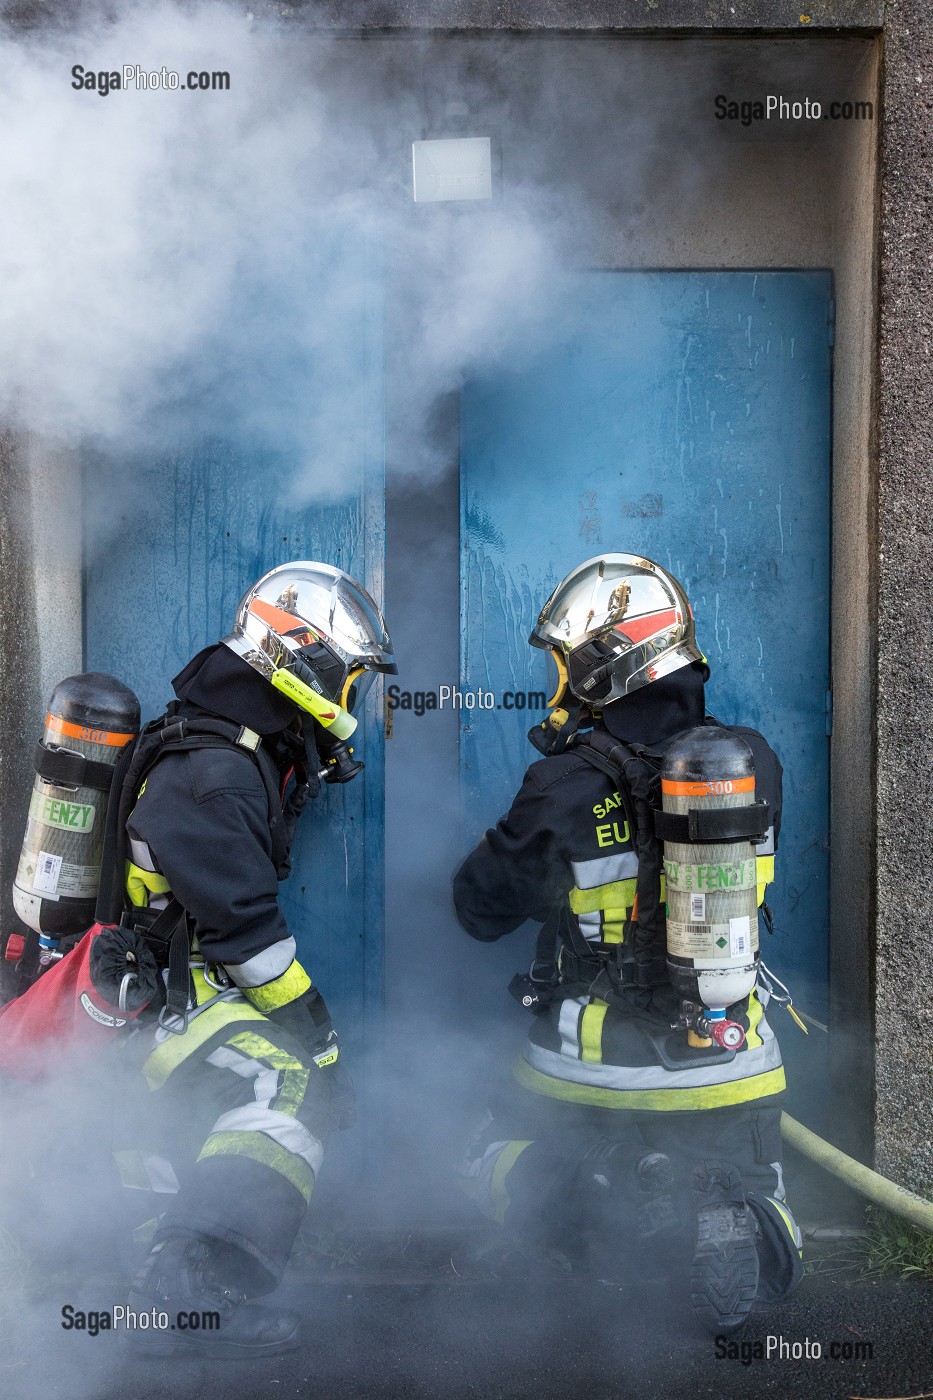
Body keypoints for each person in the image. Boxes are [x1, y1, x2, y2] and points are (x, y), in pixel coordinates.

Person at [7, 561, 395, 1358]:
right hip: (141, 1012)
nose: (354, 700)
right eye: (348, 680)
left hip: (149, 999)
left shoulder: (230, 745)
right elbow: (245, 939)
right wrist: (322, 1044)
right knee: (286, 1078)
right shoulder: (216, 774)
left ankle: (155, 1295)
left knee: (188, 1117)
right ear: (303, 665)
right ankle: (190, 1288)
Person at [452, 553, 803, 1334]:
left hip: (593, 1066)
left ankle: (607, 1185)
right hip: (730, 1059)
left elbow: (478, 910)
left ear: (599, 662)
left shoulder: (562, 785)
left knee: (485, 1149)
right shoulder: (750, 765)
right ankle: (732, 1199)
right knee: (760, 1192)